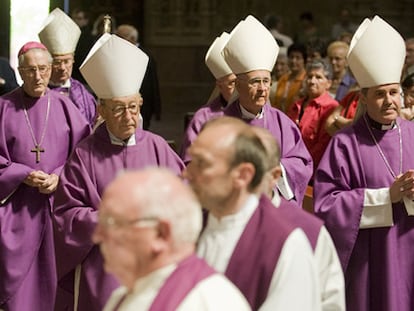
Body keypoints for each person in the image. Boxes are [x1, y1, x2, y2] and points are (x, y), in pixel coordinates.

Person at [53, 34, 185, 311]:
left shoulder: (159, 148)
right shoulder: (84, 154)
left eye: (133, 107)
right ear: (101, 110)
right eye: (119, 109)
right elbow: (66, 216)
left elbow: (185, 200)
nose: (129, 117)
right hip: (105, 266)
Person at [314, 16, 414, 311]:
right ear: (363, 99)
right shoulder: (345, 143)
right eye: (380, 94)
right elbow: (327, 205)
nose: (389, 101)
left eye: (394, 92)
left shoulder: (412, 133)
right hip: (370, 258)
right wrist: (386, 198)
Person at [183, 116, 321, 311]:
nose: (186, 174)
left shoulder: (284, 245)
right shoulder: (191, 229)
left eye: (202, 163)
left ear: (243, 175)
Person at [0, 41, 90, 310]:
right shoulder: (3, 107)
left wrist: (60, 176)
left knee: (55, 284)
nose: (37, 76)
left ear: (50, 69)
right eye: (30, 70)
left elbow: (83, 155)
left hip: (57, 206)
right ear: (19, 70)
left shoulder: (65, 107)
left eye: (42, 69)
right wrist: (21, 173)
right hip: (16, 209)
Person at [93, 168, 251, 311]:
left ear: (161, 234)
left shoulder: (210, 302)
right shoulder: (122, 296)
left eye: (113, 223)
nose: (97, 236)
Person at [221, 15, 313, 205]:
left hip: (276, 210)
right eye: (255, 82)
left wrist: (275, 168)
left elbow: (302, 164)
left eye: (266, 81)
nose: (263, 88)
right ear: (238, 85)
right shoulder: (220, 126)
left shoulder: (283, 123)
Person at [253, 126, 345, 311]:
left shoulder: (309, 231)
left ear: (275, 176)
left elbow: (330, 300)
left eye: (252, 170)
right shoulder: (217, 221)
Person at [180, 32, 236, 160]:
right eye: (232, 83)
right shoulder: (203, 118)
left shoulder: (260, 114)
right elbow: (190, 161)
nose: (238, 89)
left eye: (241, 82)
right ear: (219, 85)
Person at [39, 8, 97, 126]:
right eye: (57, 62)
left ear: (73, 60)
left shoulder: (82, 93)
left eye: (67, 61)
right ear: (47, 63)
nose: (62, 67)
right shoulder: (36, 90)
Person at [287, 59, 339, 173]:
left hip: (312, 171)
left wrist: (300, 164)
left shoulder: (331, 108)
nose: (312, 81)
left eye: (318, 77)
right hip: (288, 165)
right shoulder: (297, 105)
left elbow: (322, 146)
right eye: (310, 76)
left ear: (328, 83)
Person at [116, 24, 162, 130]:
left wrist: (156, 109)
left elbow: (152, 85)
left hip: (143, 104)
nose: (117, 41)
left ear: (132, 39)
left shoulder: (145, 56)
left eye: (120, 37)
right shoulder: (119, 54)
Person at [272, 43, 307, 113]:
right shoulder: (283, 79)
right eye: (291, 57)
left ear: (304, 60)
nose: (294, 61)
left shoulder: (306, 80)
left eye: (298, 58)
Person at [70, 7, 95, 85]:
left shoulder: (88, 37)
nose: (75, 21)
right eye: (74, 18)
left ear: (86, 21)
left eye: (79, 18)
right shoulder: (70, 34)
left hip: (82, 75)